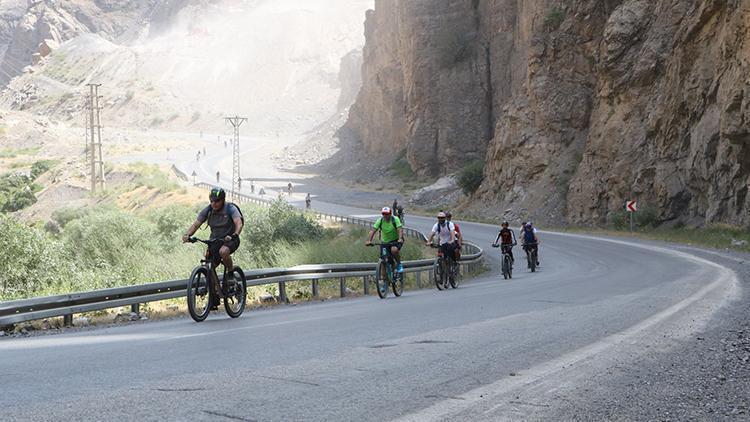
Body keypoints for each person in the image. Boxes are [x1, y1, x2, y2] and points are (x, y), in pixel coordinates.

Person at [182, 188, 243, 299]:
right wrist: (187, 235)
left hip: (230, 239)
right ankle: (214, 295)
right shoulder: (208, 210)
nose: (213, 203)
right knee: (208, 265)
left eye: (217, 201)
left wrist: (235, 234)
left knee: (223, 252)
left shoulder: (230, 208)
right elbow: (196, 224)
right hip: (215, 241)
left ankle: (230, 274)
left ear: (223, 200)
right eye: (211, 201)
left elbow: (238, 222)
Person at [366, 207, 405, 274]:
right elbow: (373, 231)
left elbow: (400, 230)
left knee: (394, 250)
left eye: (387, 214)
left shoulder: (395, 219)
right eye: (383, 214)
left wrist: (400, 239)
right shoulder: (380, 221)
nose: (385, 216)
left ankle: (399, 264)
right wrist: (369, 240)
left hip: (396, 240)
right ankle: (384, 280)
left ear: (390, 214)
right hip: (385, 242)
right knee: (384, 259)